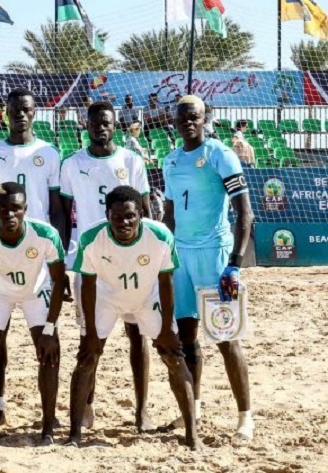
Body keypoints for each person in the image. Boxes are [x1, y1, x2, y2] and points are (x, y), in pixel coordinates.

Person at [66, 186, 200, 450]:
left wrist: (166, 329)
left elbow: (166, 282)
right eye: (117, 217)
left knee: (174, 356)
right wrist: (90, 332)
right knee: (87, 357)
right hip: (106, 298)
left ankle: (192, 435)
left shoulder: (160, 235)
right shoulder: (91, 238)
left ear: (140, 215)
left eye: (130, 216)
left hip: (147, 297)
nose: (124, 222)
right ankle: (74, 434)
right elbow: (88, 286)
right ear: (108, 215)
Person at [162, 94, 255, 440]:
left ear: (205, 119)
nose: (188, 122)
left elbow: (245, 213)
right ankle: (194, 409)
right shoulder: (170, 160)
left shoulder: (219, 154)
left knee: (226, 338)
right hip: (181, 258)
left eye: (195, 117)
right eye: (182, 117)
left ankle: (245, 418)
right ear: (174, 122)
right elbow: (169, 215)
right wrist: (164, 256)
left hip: (214, 256)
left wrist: (235, 265)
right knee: (186, 338)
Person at [59, 101, 154, 432]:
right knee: (90, 340)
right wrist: (64, 263)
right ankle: (87, 406)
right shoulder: (72, 164)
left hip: (130, 261)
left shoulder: (131, 160)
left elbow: (145, 212)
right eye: (95, 122)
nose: (101, 127)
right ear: (86, 125)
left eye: (107, 122)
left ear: (115, 126)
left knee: (137, 335)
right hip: (91, 264)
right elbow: (64, 216)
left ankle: (142, 410)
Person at [0, 88, 64, 426]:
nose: (21, 115)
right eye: (15, 109)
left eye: (26, 109)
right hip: (0, 255)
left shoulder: (49, 153)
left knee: (45, 338)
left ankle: (50, 417)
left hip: (38, 258)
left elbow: (57, 209)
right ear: (5, 113)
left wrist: (58, 259)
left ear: (35, 112)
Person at [0, 182, 66, 444]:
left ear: (25, 209)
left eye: (16, 209)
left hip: (35, 290)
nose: (9, 214)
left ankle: (48, 429)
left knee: (49, 354)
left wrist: (50, 329)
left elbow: (59, 281)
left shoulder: (45, 234)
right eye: (2, 209)